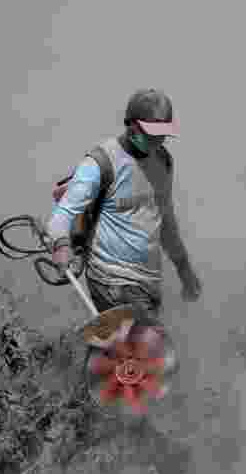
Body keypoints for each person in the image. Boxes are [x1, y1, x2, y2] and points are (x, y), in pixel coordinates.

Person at [45, 88, 202, 322]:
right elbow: (62, 214)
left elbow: (165, 221)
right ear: (131, 126)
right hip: (111, 279)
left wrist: (184, 269)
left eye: (162, 134)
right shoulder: (101, 162)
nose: (158, 140)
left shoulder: (163, 161)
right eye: (151, 134)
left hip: (147, 282)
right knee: (150, 352)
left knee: (129, 354)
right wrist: (61, 246)